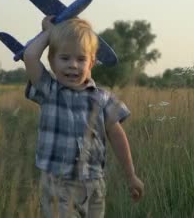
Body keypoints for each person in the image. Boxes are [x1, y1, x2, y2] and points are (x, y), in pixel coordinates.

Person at [23, 15, 144, 217]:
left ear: (92, 63)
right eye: (64, 58)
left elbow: (117, 136)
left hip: (94, 185)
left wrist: (131, 175)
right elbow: (30, 56)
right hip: (57, 185)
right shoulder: (49, 90)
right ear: (52, 62)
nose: (73, 65)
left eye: (81, 59)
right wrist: (48, 34)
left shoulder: (102, 99)